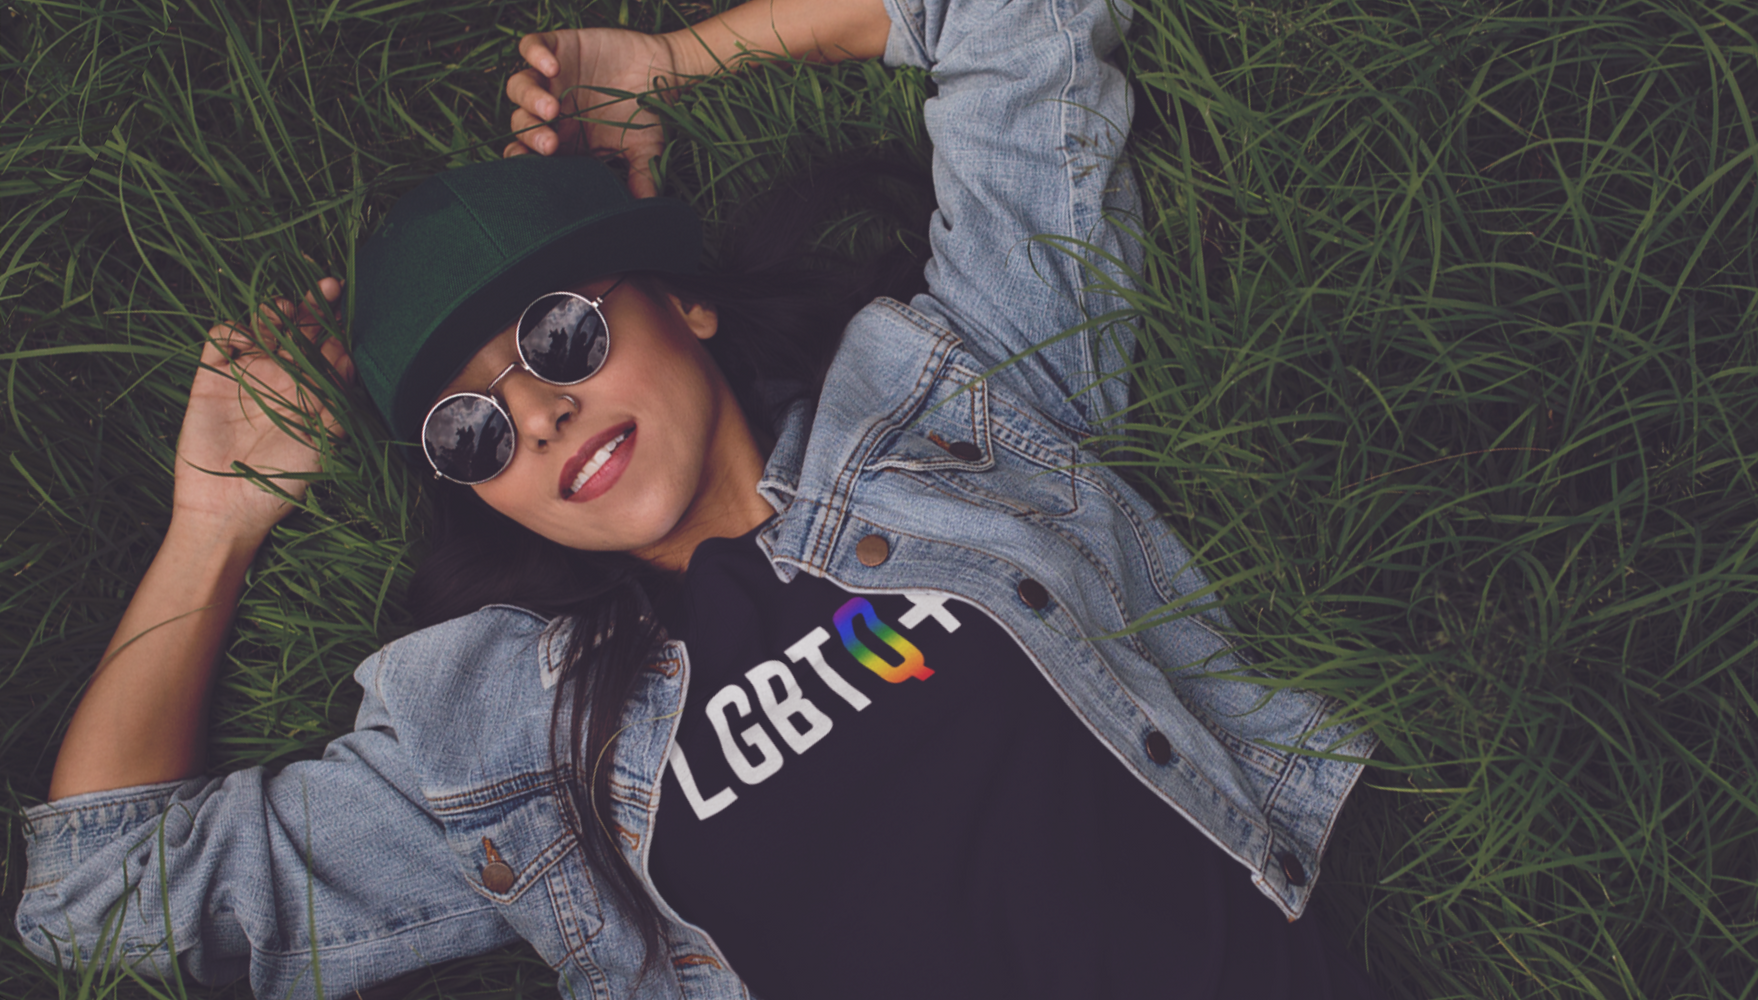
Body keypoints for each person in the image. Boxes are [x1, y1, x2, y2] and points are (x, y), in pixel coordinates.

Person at [14, 0, 1380, 996]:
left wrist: (675, 60)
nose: (539, 413)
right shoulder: (514, 744)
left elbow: (1014, 19)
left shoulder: (956, 404)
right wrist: (215, 522)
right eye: (473, 430)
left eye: (560, 336)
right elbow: (101, 898)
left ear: (689, 304)